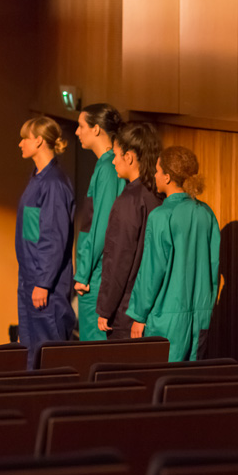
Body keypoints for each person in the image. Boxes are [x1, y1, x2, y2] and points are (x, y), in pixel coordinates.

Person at [126, 147, 220, 362]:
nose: (154, 175)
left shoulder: (161, 216)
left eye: (158, 170)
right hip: (201, 318)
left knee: (163, 378)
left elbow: (151, 271)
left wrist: (139, 315)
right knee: (191, 379)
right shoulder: (206, 213)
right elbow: (213, 267)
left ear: (167, 177)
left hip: (166, 320)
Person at [15, 117, 76, 368]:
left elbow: (54, 237)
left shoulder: (54, 183)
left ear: (39, 141)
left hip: (45, 287)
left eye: (25, 138)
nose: (20, 143)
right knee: (30, 352)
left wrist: (43, 282)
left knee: (48, 353)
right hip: (30, 279)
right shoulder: (38, 178)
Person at [96, 123, 162, 340]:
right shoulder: (160, 196)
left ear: (130, 157)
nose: (113, 161)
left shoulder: (128, 201)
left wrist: (105, 308)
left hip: (126, 311)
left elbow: (118, 260)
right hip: (154, 309)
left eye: (116, 155)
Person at [73, 103, 125, 341]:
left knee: (93, 346)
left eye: (81, 126)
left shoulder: (108, 166)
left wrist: (83, 274)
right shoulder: (105, 164)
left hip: (96, 275)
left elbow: (102, 225)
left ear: (96, 129)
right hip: (96, 271)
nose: (77, 132)